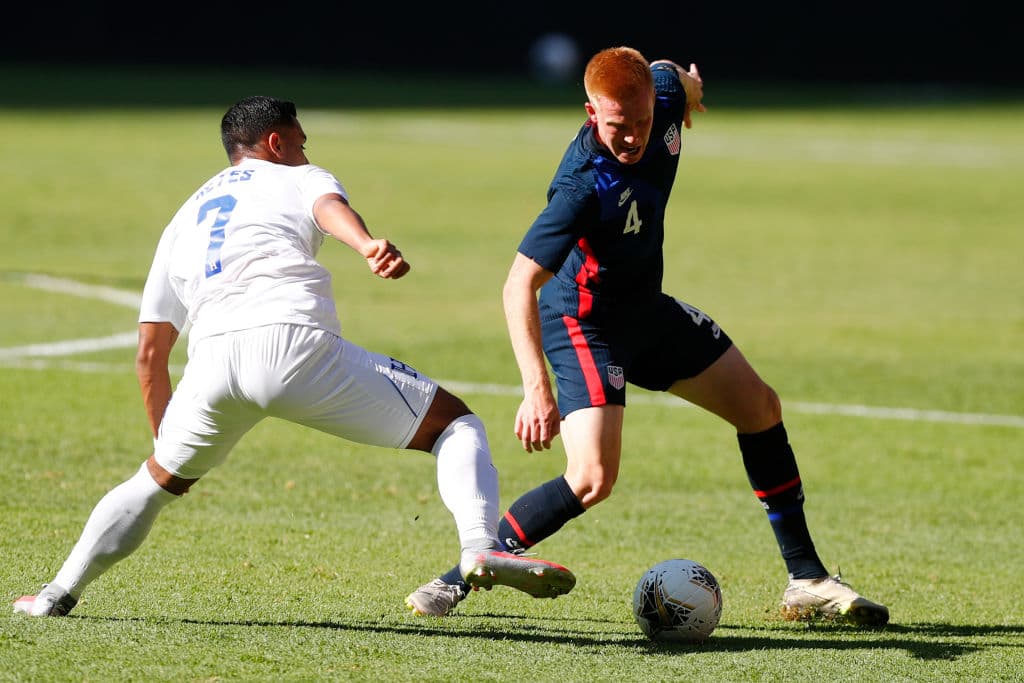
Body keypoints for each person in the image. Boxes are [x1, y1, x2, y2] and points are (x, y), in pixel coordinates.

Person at [13, 95, 576, 618]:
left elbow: (149, 354)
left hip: (211, 366)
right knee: (456, 424)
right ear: (276, 143)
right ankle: (478, 546)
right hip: (292, 345)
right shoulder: (297, 175)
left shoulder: (184, 219)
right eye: (301, 142)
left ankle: (56, 593)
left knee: (153, 483)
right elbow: (327, 206)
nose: (307, 152)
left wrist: (172, 447)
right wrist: (367, 244)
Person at [405, 47, 889, 626]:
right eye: (618, 126)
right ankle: (460, 575)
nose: (633, 137)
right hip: (584, 323)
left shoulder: (659, 95)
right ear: (591, 113)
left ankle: (806, 580)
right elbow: (518, 286)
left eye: (642, 122)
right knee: (592, 478)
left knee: (760, 409)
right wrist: (536, 390)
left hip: (645, 311)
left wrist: (690, 88)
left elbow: (670, 73)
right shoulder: (583, 185)